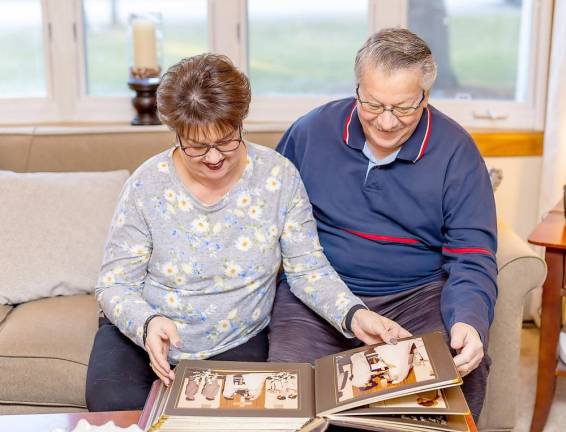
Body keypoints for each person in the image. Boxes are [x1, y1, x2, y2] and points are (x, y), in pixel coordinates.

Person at [85, 53, 408, 412]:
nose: (213, 158)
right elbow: (114, 284)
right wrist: (147, 324)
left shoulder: (278, 177)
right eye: (196, 145)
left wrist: (353, 314)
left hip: (237, 339)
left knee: (239, 416)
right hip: (143, 335)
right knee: (113, 403)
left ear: (241, 122)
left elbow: (308, 270)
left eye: (225, 140)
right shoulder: (146, 184)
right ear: (176, 134)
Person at [268, 29, 497, 421]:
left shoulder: (457, 151)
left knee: (453, 385)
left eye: (404, 108)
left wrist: (469, 322)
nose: (387, 122)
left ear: (425, 97)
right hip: (319, 294)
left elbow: (472, 257)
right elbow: (266, 221)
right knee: (288, 397)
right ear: (357, 88)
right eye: (373, 104)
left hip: (415, 299)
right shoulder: (309, 132)